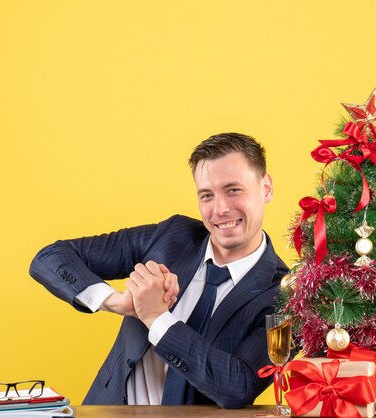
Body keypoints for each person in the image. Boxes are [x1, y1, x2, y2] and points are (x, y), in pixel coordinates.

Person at [29, 132, 289, 408]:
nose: (220, 209)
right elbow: (50, 258)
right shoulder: (170, 237)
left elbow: (237, 388)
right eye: (207, 195)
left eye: (233, 190)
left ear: (266, 188)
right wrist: (117, 302)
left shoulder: (288, 293)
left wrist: (156, 317)